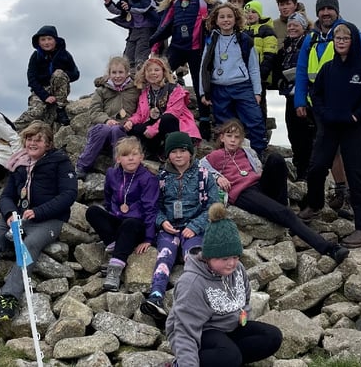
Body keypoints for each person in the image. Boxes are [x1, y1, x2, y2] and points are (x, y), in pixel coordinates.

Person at [0, 121, 77, 320]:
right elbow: (6, 196)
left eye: (38, 140)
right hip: (18, 217)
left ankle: (10, 295)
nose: (32, 143)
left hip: (49, 220)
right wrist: (10, 213)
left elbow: (69, 194)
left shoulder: (60, 162)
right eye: (29, 139)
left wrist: (39, 212)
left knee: (28, 244)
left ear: (48, 143)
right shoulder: (19, 165)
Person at [200, 119, 349, 262]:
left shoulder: (245, 152)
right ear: (222, 138)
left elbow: (259, 169)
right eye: (229, 135)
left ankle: (282, 209)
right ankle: (330, 249)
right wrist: (217, 176)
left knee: (276, 159)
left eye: (237, 137)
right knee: (286, 214)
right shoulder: (215, 156)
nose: (233, 140)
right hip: (242, 193)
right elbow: (199, 167)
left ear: (241, 140)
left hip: (258, 186)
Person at [166, 202, 282, 367]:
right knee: (229, 357)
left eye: (235, 256)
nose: (232, 263)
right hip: (201, 331)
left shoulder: (237, 269)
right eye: (225, 258)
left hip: (230, 327)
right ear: (208, 257)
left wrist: (243, 316)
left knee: (272, 336)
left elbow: (245, 300)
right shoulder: (192, 283)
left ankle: (228, 359)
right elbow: (184, 331)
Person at [298, 24, 361, 249]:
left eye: (346, 37)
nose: (341, 41)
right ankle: (314, 205)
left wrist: (357, 116)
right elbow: (316, 94)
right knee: (316, 168)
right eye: (337, 37)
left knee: (356, 175)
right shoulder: (328, 68)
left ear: (354, 40)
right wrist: (323, 115)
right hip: (329, 127)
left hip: (353, 128)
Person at [294, 0, 361, 210]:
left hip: (348, 106)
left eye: (330, 8)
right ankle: (339, 190)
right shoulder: (311, 38)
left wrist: (360, 107)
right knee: (326, 153)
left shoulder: (349, 33)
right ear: (317, 12)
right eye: (322, 9)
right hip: (319, 106)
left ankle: (352, 196)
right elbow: (302, 71)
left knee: (348, 151)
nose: (326, 12)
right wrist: (300, 100)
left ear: (336, 11)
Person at [140, 132, 218, 321]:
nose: (178, 155)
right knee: (164, 256)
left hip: (194, 229)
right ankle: (156, 297)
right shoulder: (162, 177)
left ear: (191, 152)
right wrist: (162, 222)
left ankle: (199, 300)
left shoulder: (204, 175)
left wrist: (196, 226)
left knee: (194, 258)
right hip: (169, 228)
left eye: (183, 150)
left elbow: (214, 206)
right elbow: (154, 206)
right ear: (168, 155)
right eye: (173, 151)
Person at [149, 0, 220, 139]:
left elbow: (216, 23)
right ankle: (153, 111)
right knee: (158, 74)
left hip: (197, 49)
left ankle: (204, 121)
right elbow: (165, 26)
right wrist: (154, 42)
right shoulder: (174, 2)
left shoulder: (206, 2)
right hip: (177, 48)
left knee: (200, 84)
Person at [85, 137, 159, 291]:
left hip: (136, 225)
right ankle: (116, 245)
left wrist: (148, 238)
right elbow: (107, 196)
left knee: (129, 223)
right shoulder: (112, 173)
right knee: (92, 211)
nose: (131, 158)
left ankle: (114, 271)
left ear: (141, 157)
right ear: (118, 159)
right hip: (118, 220)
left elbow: (151, 209)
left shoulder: (148, 178)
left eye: (134, 154)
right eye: (125, 155)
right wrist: (114, 211)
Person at [199, 3, 268, 157]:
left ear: (236, 19)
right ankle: (229, 158)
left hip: (242, 87)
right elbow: (204, 67)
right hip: (219, 88)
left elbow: (254, 68)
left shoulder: (245, 40)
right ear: (215, 20)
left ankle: (257, 156)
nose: (226, 20)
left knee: (255, 121)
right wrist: (204, 92)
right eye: (221, 17)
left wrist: (257, 91)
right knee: (225, 126)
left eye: (229, 16)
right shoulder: (211, 40)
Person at [76, 56, 140, 180]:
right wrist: (106, 120)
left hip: (123, 131)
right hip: (102, 130)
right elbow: (94, 111)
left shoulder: (135, 90)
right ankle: (82, 166)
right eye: (114, 72)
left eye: (121, 72)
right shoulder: (101, 90)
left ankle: (119, 168)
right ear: (109, 74)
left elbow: (140, 111)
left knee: (116, 130)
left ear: (127, 73)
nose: (117, 76)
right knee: (105, 129)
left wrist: (131, 121)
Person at [123, 57, 200, 159]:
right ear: (144, 74)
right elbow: (140, 114)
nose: (153, 73)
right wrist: (131, 121)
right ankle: (152, 150)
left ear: (163, 72)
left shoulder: (175, 88)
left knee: (167, 118)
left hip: (174, 125)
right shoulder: (145, 93)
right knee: (134, 128)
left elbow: (174, 112)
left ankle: (168, 149)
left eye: (156, 70)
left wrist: (154, 129)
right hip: (155, 124)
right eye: (149, 70)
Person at [271, 12, 315, 181]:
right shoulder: (285, 48)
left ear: (304, 27)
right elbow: (277, 71)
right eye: (289, 25)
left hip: (307, 96)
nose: (291, 27)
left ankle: (309, 174)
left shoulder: (310, 42)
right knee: (294, 135)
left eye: (296, 24)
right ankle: (300, 172)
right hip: (290, 96)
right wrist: (281, 81)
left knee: (307, 136)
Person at [15, 25, 80, 128]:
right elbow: (31, 79)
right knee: (37, 113)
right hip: (40, 91)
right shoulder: (35, 56)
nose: (46, 42)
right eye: (43, 40)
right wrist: (45, 96)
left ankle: (60, 109)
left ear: (55, 40)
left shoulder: (65, 55)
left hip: (58, 89)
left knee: (58, 73)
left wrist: (61, 75)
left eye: (49, 39)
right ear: (38, 42)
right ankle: (13, 128)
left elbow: (76, 74)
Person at [104, 0, 160, 71]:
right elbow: (119, 10)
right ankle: (129, 80)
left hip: (147, 28)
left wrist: (130, 7)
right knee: (127, 59)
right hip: (134, 30)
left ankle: (141, 80)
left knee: (140, 57)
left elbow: (145, 6)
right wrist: (109, 4)